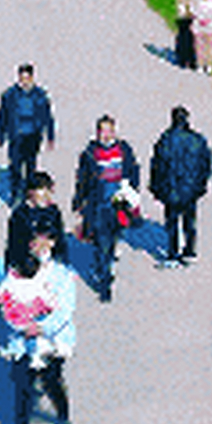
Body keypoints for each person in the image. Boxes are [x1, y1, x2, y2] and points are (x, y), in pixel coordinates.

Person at [0, 224, 76, 424]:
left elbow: (65, 310)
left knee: (52, 384)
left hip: (51, 345)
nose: (36, 245)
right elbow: (6, 303)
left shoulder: (61, 274)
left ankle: (62, 415)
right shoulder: (16, 271)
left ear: (52, 242)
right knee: (21, 400)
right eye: (33, 240)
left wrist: (42, 328)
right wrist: (19, 324)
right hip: (22, 346)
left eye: (42, 240)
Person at [72, 115, 140, 301]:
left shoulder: (123, 149)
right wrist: (78, 201)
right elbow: (82, 179)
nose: (106, 135)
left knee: (113, 239)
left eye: (109, 131)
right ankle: (105, 281)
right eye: (102, 131)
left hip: (119, 206)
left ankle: (106, 260)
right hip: (99, 205)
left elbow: (134, 170)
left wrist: (133, 192)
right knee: (103, 243)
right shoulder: (90, 152)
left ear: (114, 132)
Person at [149, 105, 212, 267]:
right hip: (190, 189)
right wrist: (201, 186)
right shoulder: (197, 140)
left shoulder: (165, 140)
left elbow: (157, 166)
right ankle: (189, 251)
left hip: (171, 189)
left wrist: (155, 187)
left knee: (172, 222)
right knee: (189, 221)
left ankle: (172, 253)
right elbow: (204, 165)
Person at [0, 62, 57, 198]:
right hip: (16, 135)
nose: (25, 82)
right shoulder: (10, 95)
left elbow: (47, 117)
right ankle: (15, 192)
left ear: (32, 78)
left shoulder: (40, 95)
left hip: (33, 136)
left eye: (27, 79)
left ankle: (29, 193)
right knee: (15, 166)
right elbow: (2, 115)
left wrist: (50, 136)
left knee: (30, 166)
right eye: (22, 79)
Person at [3, 170, 66, 275]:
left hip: (49, 265)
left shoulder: (53, 211)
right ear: (30, 192)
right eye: (42, 191)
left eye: (48, 191)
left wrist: (51, 244)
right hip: (26, 267)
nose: (47, 197)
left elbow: (60, 238)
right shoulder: (20, 215)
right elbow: (14, 245)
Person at [173, 0, 198, 69]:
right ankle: (191, 60)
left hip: (182, 15)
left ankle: (182, 59)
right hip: (190, 15)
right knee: (191, 38)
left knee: (182, 37)